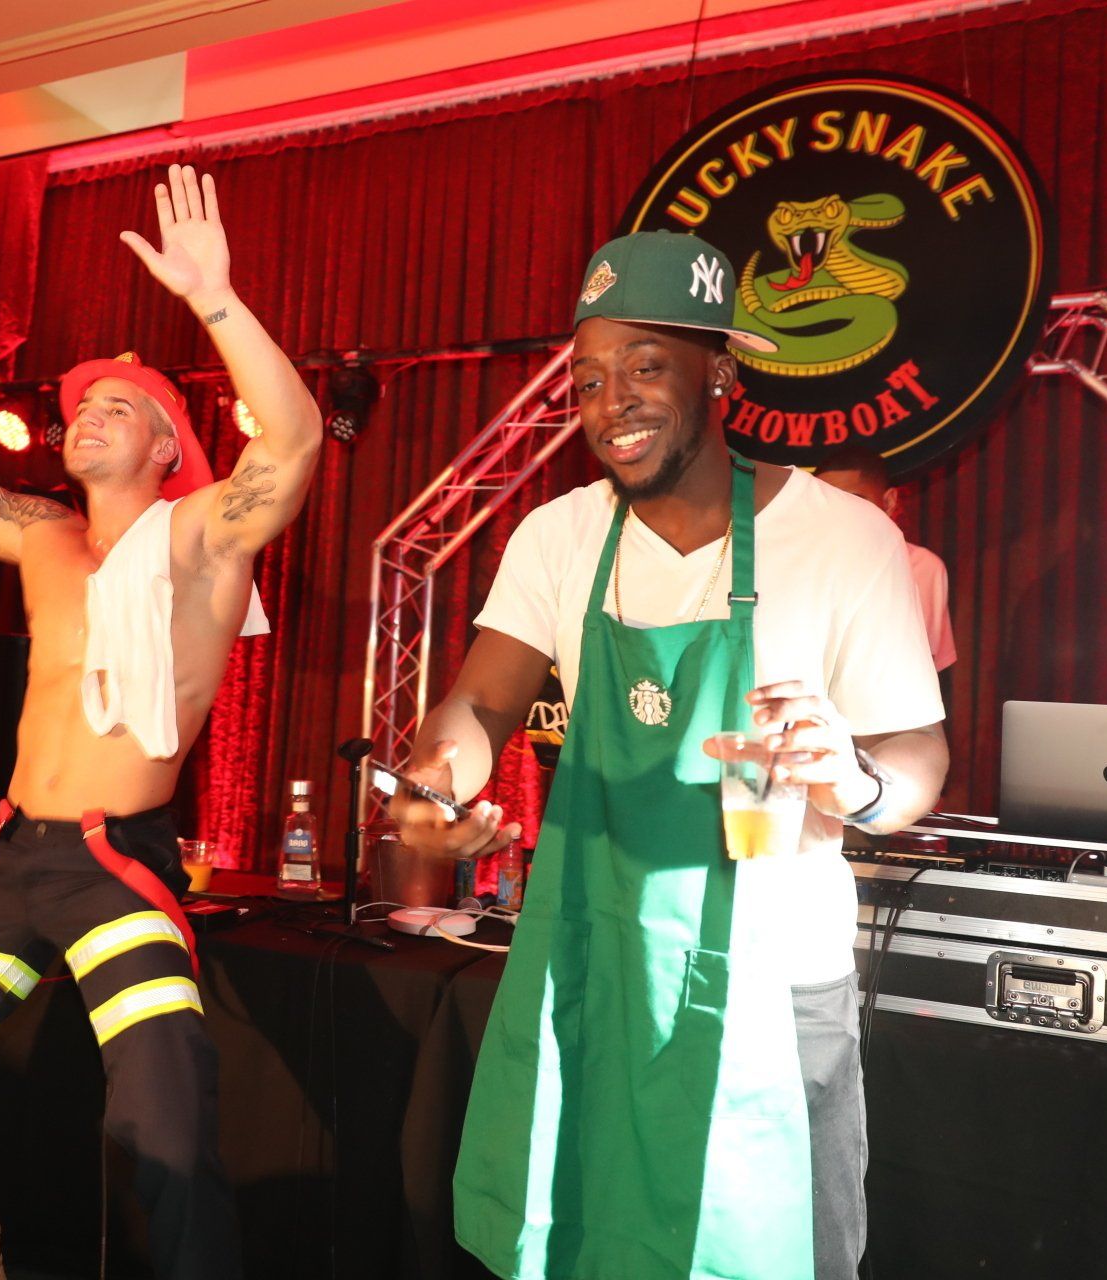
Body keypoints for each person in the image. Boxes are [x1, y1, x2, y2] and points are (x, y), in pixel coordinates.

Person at [0, 162, 323, 1280]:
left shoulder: (202, 540)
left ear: (171, 449)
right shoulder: (40, 533)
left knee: (165, 1129)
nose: (86, 414)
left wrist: (216, 300)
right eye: (80, 404)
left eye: (117, 406)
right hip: (11, 850)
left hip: (112, 860)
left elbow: (296, 441)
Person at [394, 231, 948, 1280]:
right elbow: (475, 701)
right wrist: (435, 782)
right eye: (591, 377)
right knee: (586, 1245)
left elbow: (916, 751)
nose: (614, 401)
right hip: (597, 963)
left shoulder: (845, 539)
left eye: (647, 365)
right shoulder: (557, 538)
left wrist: (858, 779)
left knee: (779, 1252)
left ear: (722, 373)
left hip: (779, 984)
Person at [813, 444, 957, 673]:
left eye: (853, 501)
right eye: (826, 501)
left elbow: (921, 666)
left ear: (889, 502)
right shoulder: (806, 563)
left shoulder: (921, 566)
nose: (838, 513)